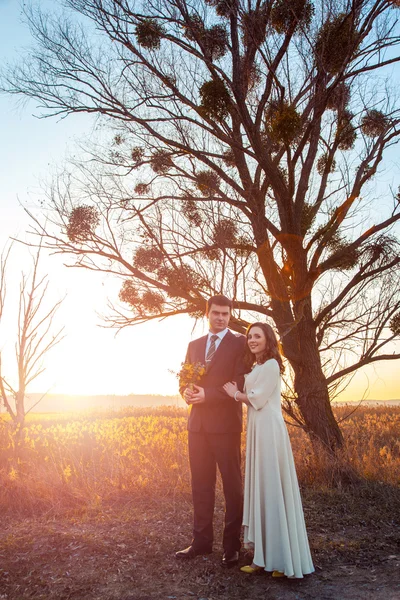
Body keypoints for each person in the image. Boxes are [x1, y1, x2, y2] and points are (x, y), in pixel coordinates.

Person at [223, 322, 314, 579]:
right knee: (262, 489)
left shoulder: (272, 364)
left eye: (257, 336)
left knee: (272, 489)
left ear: (268, 339)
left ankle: (280, 560)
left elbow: (258, 398)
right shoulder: (258, 366)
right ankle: (263, 557)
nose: (252, 340)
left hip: (269, 432)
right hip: (258, 429)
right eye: (250, 336)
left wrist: (234, 393)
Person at [175, 295, 248, 567]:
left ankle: (232, 547)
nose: (220, 318)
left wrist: (208, 395)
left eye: (225, 314)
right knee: (200, 485)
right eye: (216, 313)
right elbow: (185, 377)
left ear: (230, 315)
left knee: (232, 487)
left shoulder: (241, 343)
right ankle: (201, 542)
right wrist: (186, 392)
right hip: (197, 426)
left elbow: (239, 381)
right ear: (207, 313)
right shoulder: (194, 345)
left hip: (226, 426)